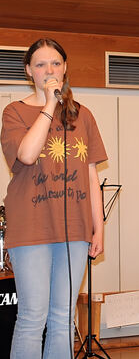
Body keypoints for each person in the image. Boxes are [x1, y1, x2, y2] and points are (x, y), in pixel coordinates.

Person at [1, 38, 107, 358]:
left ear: (65, 69)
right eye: (41, 64)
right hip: (31, 228)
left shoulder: (83, 115)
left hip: (74, 229)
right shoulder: (14, 112)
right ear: (28, 71)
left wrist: (98, 229)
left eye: (56, 63)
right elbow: (28, 155)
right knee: (33, 318)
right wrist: (49, 105)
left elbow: (91, 176)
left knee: (63, 318)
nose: (50, 70)